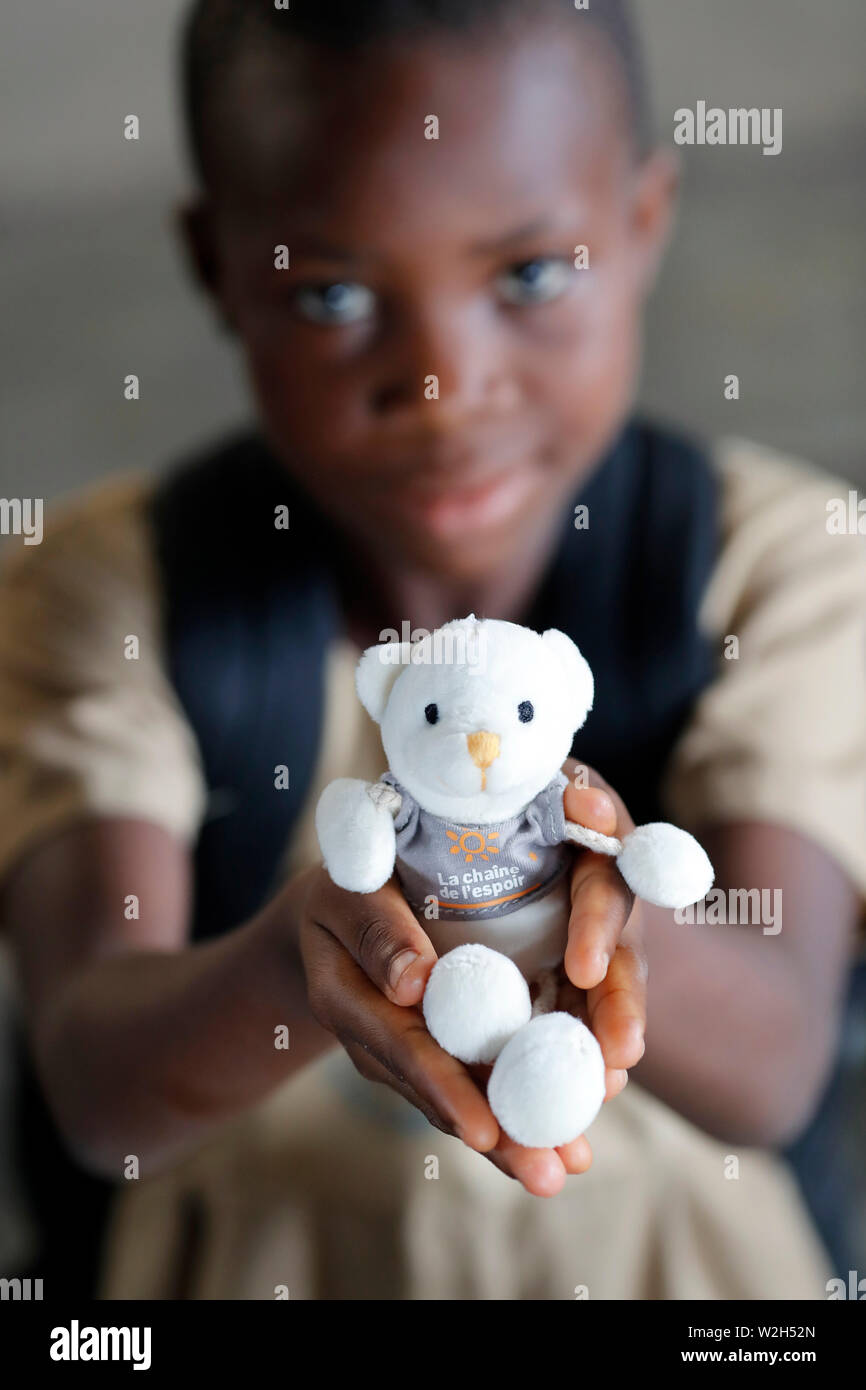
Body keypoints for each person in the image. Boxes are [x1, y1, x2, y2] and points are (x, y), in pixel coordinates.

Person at [1, 0, 864, 1301]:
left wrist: (597, 888)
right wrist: (308, 949)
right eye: (332, 293)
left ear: (640, 224)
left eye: (530, 274)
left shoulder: (783, 567)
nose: (443, 388)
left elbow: (775, 1065)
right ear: (216, 267)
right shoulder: (96, 594)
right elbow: (103, 1092)